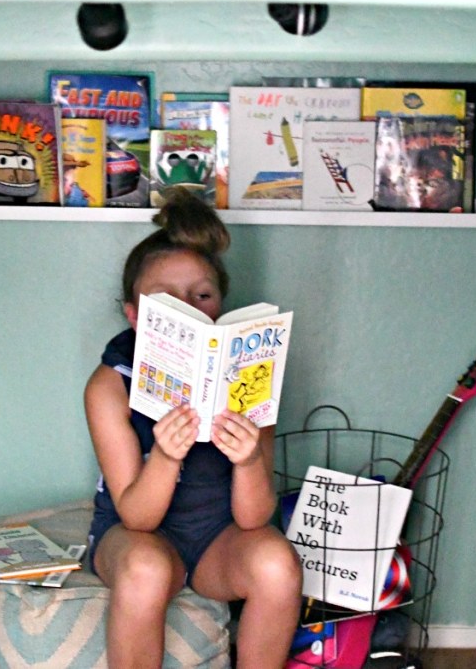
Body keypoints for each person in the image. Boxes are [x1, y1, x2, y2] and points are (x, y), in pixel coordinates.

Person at [85, 187, 303, 668]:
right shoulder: (109, 385)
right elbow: (136, 517)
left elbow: (254, 519)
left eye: (201, 296)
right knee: (145, 568)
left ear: (220, 304)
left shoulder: (249, 375)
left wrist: (247, 460)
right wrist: (165, 456)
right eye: (166, 302)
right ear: (134, 316)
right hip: (135, 533)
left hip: (218, 539)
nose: (191, 309)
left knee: (276, 562)